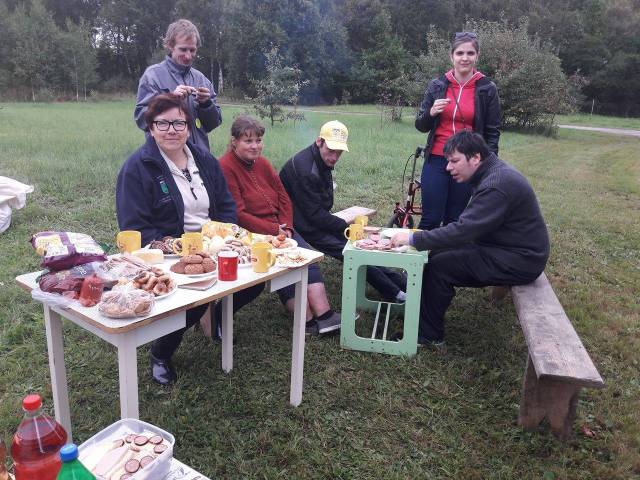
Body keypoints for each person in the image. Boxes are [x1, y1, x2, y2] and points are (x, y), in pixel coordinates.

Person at [117, 94, 263, 385]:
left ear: (188, 126)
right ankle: (161, 353)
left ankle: (218, 315)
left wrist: (227, 234)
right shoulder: (137, 167)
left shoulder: (203, 158)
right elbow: (134, 226)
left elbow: (225, 203)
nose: (172, 130)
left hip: (214, 244)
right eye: (163, 123)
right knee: (193, 299)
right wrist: (177, 247)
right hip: (168, 251)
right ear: (151, 127)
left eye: (179, 123)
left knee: (256, 276)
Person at [390, 131, 549, 348]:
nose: (448, 168)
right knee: (437, 254)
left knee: (440, 265)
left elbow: (463, 230)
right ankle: (420, 314)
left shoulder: (496, 185)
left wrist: (413, 238)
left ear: (475, 158)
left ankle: (429, 336)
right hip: (508, 247)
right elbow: (468, 227)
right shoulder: (491, 173)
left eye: (454, 161)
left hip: (521, 259)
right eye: (448, 161)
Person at [218, 115, 341, 335]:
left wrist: (286, 226)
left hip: (280, 228)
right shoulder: (226, 167)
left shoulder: (262, 163)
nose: (255, 146)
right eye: (248, 141)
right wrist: (274, 230)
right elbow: (239, 213)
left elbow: (283, 195)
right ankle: (306, 320)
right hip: (252, 233)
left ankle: (324, 314)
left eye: (258, 140)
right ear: (234, 141)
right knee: (282, 267)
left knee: (306, 258)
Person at [280, 120, 406, 304]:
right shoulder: (305, 169)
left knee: (359, 245)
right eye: (330, 151)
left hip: (310, 214)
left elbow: (321, 205)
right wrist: (344, 225)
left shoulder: (320, 159)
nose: (334, 157)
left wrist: (341, 225)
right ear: (319, 141)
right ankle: (396, 294)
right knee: (351, 251)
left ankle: (401, 283)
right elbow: (314, 216)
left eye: (338, 152)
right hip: (297, 223)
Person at [415, 31, 501, 230]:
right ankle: (420, 262)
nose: (465, 58)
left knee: (455, 218)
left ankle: (446, 261)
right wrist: (431, 112)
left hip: (467, 162)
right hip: (436, 158)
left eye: (470, 53)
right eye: (460, 53)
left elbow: (493, 131)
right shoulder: (437, 85)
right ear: (451, 56)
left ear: (477, 56)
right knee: (430, 218)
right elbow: (421, 125)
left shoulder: (487, 88)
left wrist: (489, 163)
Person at [134, 19, 222, 152]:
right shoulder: (152, 76)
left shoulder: (201, 79)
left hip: (199, 158)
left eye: (192, 50)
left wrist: (206, 104)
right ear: (170, 45)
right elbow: (142, 119)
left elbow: (213, 123)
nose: (188, 56)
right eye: (183, 49)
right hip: (164, 158)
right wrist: (170, 99)